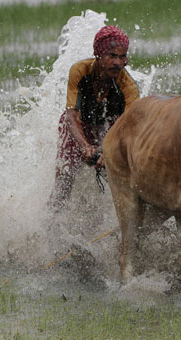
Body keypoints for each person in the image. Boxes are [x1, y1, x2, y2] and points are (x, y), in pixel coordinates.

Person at [50, 25, 139, 211]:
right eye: (112, 56)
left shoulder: (128, 88)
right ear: (98, 55)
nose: (118, 63)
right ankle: (52, 219)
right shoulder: (79, 71)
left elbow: (130, 129)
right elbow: (71, 115)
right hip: (78, 126)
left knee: (124, 177)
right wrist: (85, 146)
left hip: (110, 130)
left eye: (122, 57)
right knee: (64, 179)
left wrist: (108, 152)